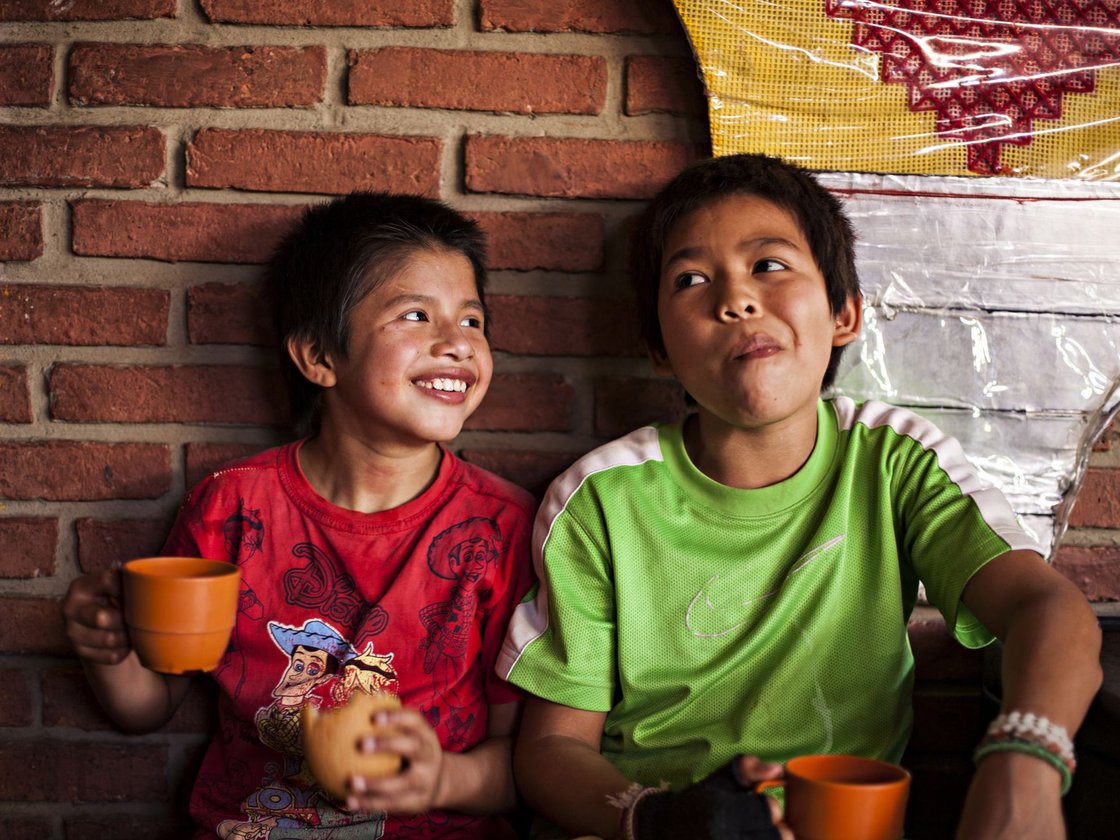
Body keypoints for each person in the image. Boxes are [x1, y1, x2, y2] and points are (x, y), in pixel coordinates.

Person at [498, 154, 1103, 840]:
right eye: (691, 280)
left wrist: (1024, 761)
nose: (735, 299)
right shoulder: (599, 499)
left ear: (844, 313)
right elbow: (552, 748)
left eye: (769, 265)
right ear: (660, 349)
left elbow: (1046, 609)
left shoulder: (894, 460)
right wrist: (658, 818)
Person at [62, 193, 536, 839]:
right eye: (416, 315)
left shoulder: (502, 528)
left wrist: (439, 780)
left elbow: (527, 763)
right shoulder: (231, 508)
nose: (457, 343)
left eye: (473, 320)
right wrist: (110, 651)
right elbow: (146, 707)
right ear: (319, 356)